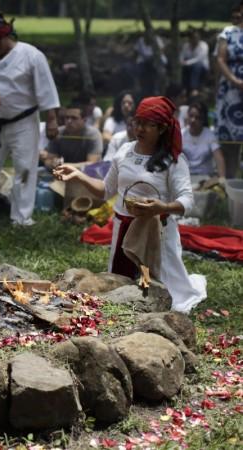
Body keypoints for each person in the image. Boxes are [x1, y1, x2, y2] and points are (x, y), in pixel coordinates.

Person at [54, 96, 207, 314]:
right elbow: (106, 190)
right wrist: (78, 176)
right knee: (120, 288)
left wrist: (161, 208)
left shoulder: (173, 160)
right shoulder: (125, 151)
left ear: (162, 128)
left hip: (158, 230)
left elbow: (187, 201)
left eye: (148, 124)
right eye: (138, 122)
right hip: (124, 227)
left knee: (167, 296)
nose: (140, 128)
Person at [0, 12, 60, 226]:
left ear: (2, 38)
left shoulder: (31, 55)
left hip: (24, 121)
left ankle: (21, 217)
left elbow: (46, 89)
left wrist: (51, 119)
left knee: (25, 168)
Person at [216, 1, 243, 179]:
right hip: (231, 92)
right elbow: (220, 59)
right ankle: (230, 190)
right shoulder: (228, 32)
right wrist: (235, 80)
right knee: (231, 145)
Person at [43, 103, 103, 168]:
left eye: (74, 118)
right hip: (61, 172)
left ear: (84, 120)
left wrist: (64, 166)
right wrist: (52, 163)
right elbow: (48, 161)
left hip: (87, 174)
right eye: (67, 117)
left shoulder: (93, 135)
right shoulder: (58, 133)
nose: (69, 121)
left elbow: (92, 164)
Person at [182, 101, 226, 181]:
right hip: (185, 177)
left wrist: (222, 179)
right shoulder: (181, 134)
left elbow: (219, 158)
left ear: (203, 119)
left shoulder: (210, 135)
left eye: (197, 117)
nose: (193, 120)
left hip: (206, 177)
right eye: (191, 116)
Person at [134, 31, 167, 97]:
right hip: (144, 60)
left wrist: (154, 56)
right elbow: (136, 51)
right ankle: (141, 89)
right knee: (140, 70)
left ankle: (156, 89)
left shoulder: (156, 39)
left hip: (156, 60)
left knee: (157, 71)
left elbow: (162, 50)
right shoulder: (141, 40)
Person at [180, 29, 209, 96]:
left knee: (197, 65)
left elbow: (199, 59)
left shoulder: (204, 45)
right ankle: (184, 88)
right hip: (189, 67)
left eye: (197, 37)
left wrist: (187, 63)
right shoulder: (186, 46)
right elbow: (182, 56)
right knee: (184, 68)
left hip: (202, 68)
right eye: (193, 38)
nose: (195, 39)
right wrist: (182, 62)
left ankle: (194, 88)